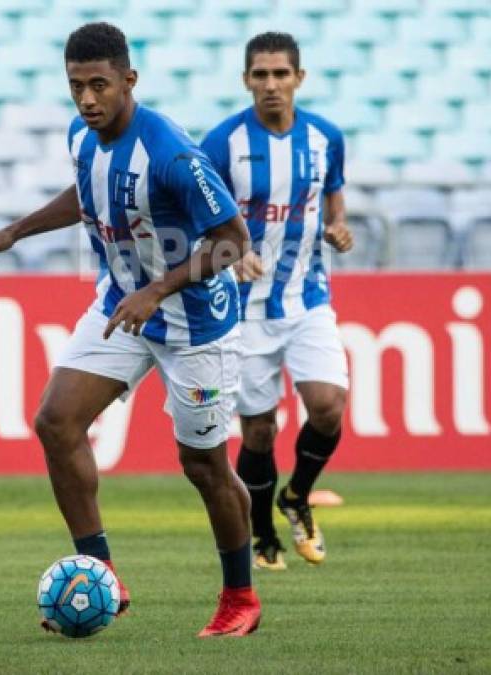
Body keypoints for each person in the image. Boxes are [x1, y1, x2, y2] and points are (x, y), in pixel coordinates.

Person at [0, 22, 262, 637]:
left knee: (203, 465)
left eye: (99, 85)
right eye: (76, 86)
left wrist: (157, 288)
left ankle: (240, 597)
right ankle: (100, 574)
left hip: (196, 325)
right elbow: (86, 194)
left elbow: (235, 243)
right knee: (56, 421)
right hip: (123, 306)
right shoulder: (82, 133)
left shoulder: (173, 155)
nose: (87, 100)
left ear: (129, 80)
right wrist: (14, 232)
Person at [200, 32, 353, 571]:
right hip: (242, 311)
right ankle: (264, 531)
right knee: (259, 429)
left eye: (280, 74)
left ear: (298, 79)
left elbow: (332, 192)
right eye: (260, 75)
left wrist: (338, 225)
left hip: (306, 298)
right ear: (246, 80)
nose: (270, 84)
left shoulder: (325, 137)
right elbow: (199, 218)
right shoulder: (221, 144)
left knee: (329, 406)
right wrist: (228, 251)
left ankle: (298, 496)